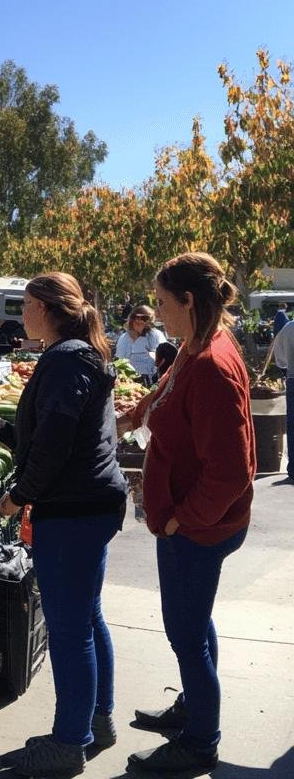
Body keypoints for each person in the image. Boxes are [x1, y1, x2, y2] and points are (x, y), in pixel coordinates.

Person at [0, 273, 127, 777]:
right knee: (87, 616)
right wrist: (5, 427)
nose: (21, 314)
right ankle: (95, 721)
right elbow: (59, 430)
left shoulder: (65, 358)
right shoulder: (77, 354)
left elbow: (56, 443)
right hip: (91, 502)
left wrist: (19, 495)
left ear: (44, 307)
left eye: (26, 304)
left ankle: (68, 742)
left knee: (69, 628)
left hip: (73, 508)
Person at [117, 253, 254, 775]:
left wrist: (181, 520)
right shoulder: (200, 344)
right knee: (194, 625)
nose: (155, 311)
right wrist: (140, 412)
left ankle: (200, 741)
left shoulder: (215, 364)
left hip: (198, 528)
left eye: (160, 301)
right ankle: (194, 708)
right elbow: (171, 381)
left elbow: (233, 470)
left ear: (188, 301)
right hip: (191, 522)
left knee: (185, 631)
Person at [115, 305, 166, 385]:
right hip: (130, 381)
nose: (139, 322)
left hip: (154, 379)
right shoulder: (124, 338)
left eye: (144, 319)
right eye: (136, 319)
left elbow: (163, 358)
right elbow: (120, 361)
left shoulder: (156, 335)